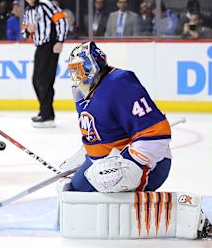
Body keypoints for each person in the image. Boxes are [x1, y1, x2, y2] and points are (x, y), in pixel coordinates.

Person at [65, 41, 172, 193]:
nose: (76, 76)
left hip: (143, 164)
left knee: (100, 202)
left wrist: (129, 165)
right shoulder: (82, 92)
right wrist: (87, 151)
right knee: (72, 190)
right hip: (103, 162)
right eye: (73, 70)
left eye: (79, 69)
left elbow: (156, 134)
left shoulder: (119, 84)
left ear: (92, 66)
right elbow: (101, 129)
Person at [21, 0, 69, 128]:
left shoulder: (45, 4)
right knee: (36, 80)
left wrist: (60, 41)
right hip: (40, 47)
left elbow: (61, 20)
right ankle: (44, 112)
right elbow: (24, 33)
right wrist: (28, 30)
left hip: (51, 45)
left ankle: (48, 116)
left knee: (45, 81)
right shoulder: (28, 11)